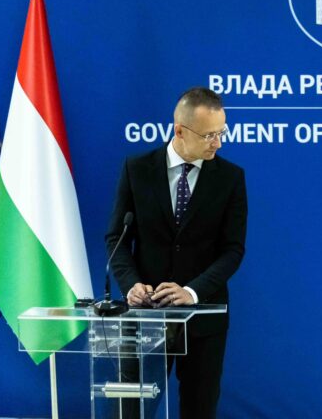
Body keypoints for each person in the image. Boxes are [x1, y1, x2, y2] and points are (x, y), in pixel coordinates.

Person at [105, 87, 247, 419]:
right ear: (180, 130)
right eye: (209, 135)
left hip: (203, 320)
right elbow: (117, 238)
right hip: (145, 316)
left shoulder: (230, 178)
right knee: (130, 411)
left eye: (222, 132)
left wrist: (192, 291)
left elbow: (232, 250)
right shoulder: (136, 169)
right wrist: (131, 285)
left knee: (199, 409)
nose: (218, 143)